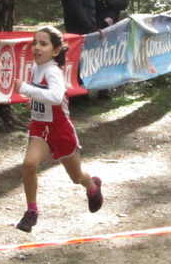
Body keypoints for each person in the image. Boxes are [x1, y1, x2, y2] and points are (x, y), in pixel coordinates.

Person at [13, 25, 104, 232]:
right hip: (40, 129)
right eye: (34, 43)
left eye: (43, 44)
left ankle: (92, 186)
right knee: (29, 164)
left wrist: (26, 90)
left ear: (55, 50)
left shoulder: (53, 71)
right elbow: (45, 95)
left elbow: (55, 96)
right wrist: (33, 100)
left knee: (76, 177)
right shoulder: (37, 69)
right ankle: (32, 211)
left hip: (60, 130)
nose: (37, 47)